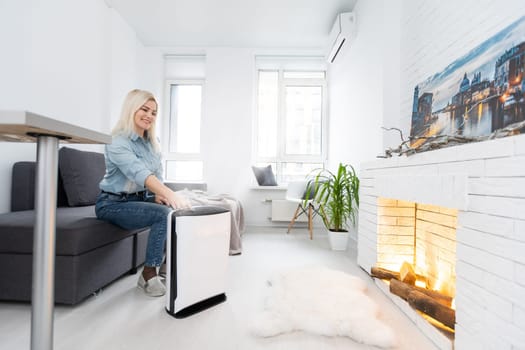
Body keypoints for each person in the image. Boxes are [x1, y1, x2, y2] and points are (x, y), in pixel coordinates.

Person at [95, 89, 191, 297]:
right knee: (162, 214)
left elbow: (157, 175)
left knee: (171, 210)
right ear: (131, 109)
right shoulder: (117, 141)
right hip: (112, 204)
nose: (149, 115)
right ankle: (148, 273)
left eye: (154, 112)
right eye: (144, 109)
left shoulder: (151, 144)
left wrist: (162, 195)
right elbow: (138, 173)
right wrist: (171, 194)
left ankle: (169, 265)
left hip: (138, 199)